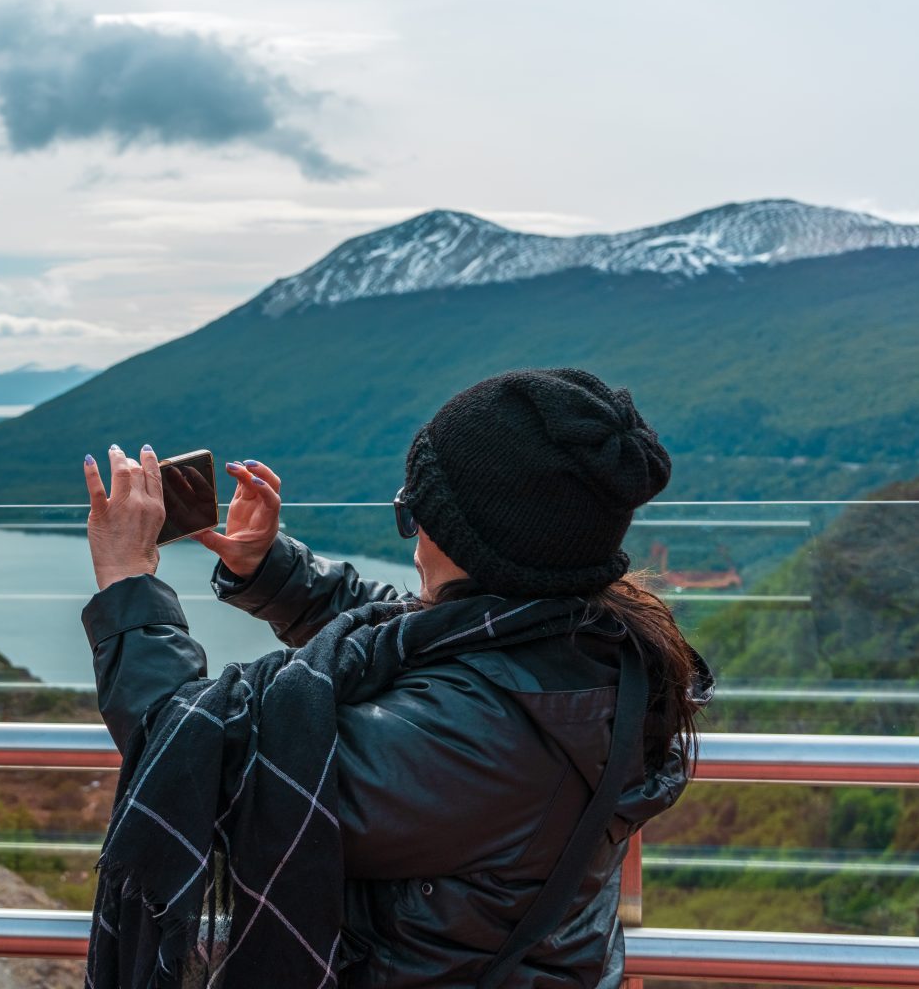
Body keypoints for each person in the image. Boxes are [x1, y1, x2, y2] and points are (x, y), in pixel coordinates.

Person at [79, 368, 710, 988]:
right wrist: (268, 569)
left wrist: (129, 580)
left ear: (479, 548)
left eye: (414, 514)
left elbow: (195, 756)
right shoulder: (591, 644)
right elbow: (409, 629)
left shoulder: (477, 735)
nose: (413, 542)